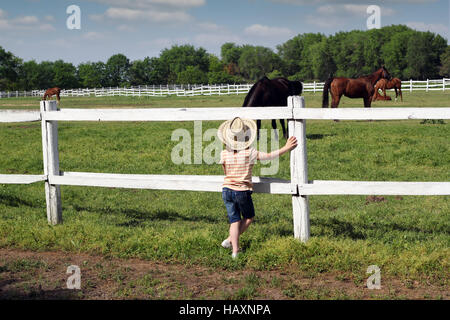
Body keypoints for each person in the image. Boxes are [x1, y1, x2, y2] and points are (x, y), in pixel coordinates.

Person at [217, 117, 298, 259]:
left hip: (226, 190)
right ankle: (230, 241)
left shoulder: (223, 154)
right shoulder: (250, 153)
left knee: (234, 220)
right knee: (248, 217)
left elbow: (226, 171)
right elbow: (268, 156)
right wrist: (286, 148)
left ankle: (235, 250)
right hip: (242, 191)